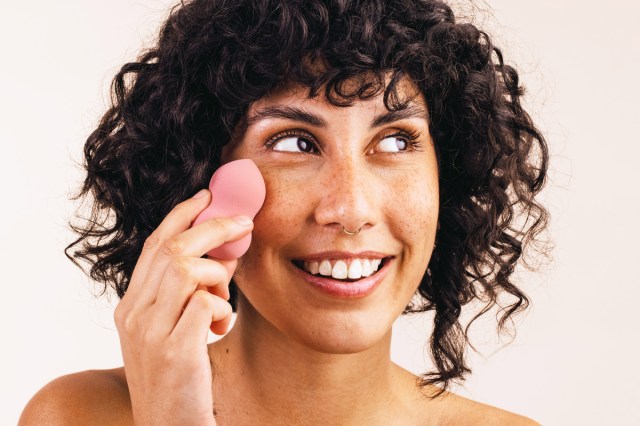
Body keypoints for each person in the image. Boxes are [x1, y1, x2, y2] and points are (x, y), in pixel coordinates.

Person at [19, 0, 549, 424]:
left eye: (394, 141)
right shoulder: (81, 416)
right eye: (296, 142)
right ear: (197, 175)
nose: (351, 209)